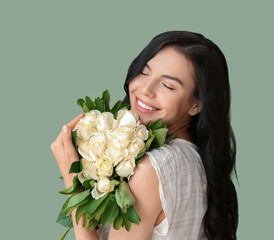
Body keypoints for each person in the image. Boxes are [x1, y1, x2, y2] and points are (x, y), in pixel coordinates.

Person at [51, 30, 238, 240]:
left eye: (168, 85)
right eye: (144, 72)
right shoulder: (199, 160)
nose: (146, 89)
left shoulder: (151, 169)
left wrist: (73, 179)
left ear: (197, 104)